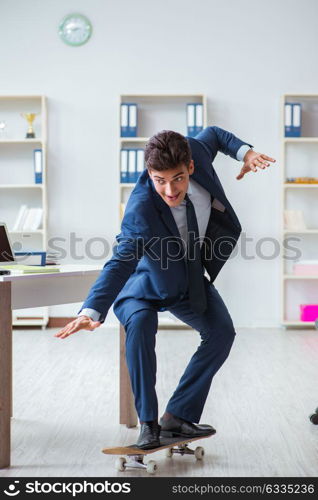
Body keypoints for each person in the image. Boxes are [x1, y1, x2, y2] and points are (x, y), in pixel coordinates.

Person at [55, 127, 275, 449]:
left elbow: (214, 135)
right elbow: (120, 262)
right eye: (160, 180)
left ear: (191, 166)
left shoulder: (196, 151)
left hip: (183, 277)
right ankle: (148, 425)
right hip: (140, 284)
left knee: (221, 333)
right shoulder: (141, 208)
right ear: (149, 174)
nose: (170, 190)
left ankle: (177, 416)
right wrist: (92, 309)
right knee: (142, 324)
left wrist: (246, 153)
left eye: (177, 178)